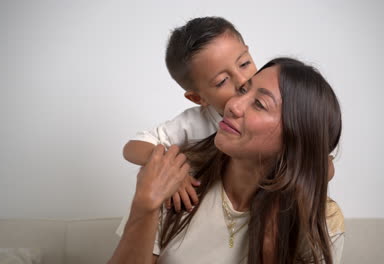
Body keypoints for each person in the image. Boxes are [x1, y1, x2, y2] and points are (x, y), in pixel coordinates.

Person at [109, 57, 344, 264]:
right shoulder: (177, 180)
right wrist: (145, 206)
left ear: (295, 139)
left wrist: (271, 238)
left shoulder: (322, 219)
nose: (233, 105)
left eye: (260, 104)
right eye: (243, 91)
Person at [117, 17, 336, 233]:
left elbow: (321, 164)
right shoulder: (195, 122)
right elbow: (133, 146)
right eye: (222, 81)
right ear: (198, 98)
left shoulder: (278, 116)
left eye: (244, 63)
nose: (242, 80)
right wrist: (173, 171)